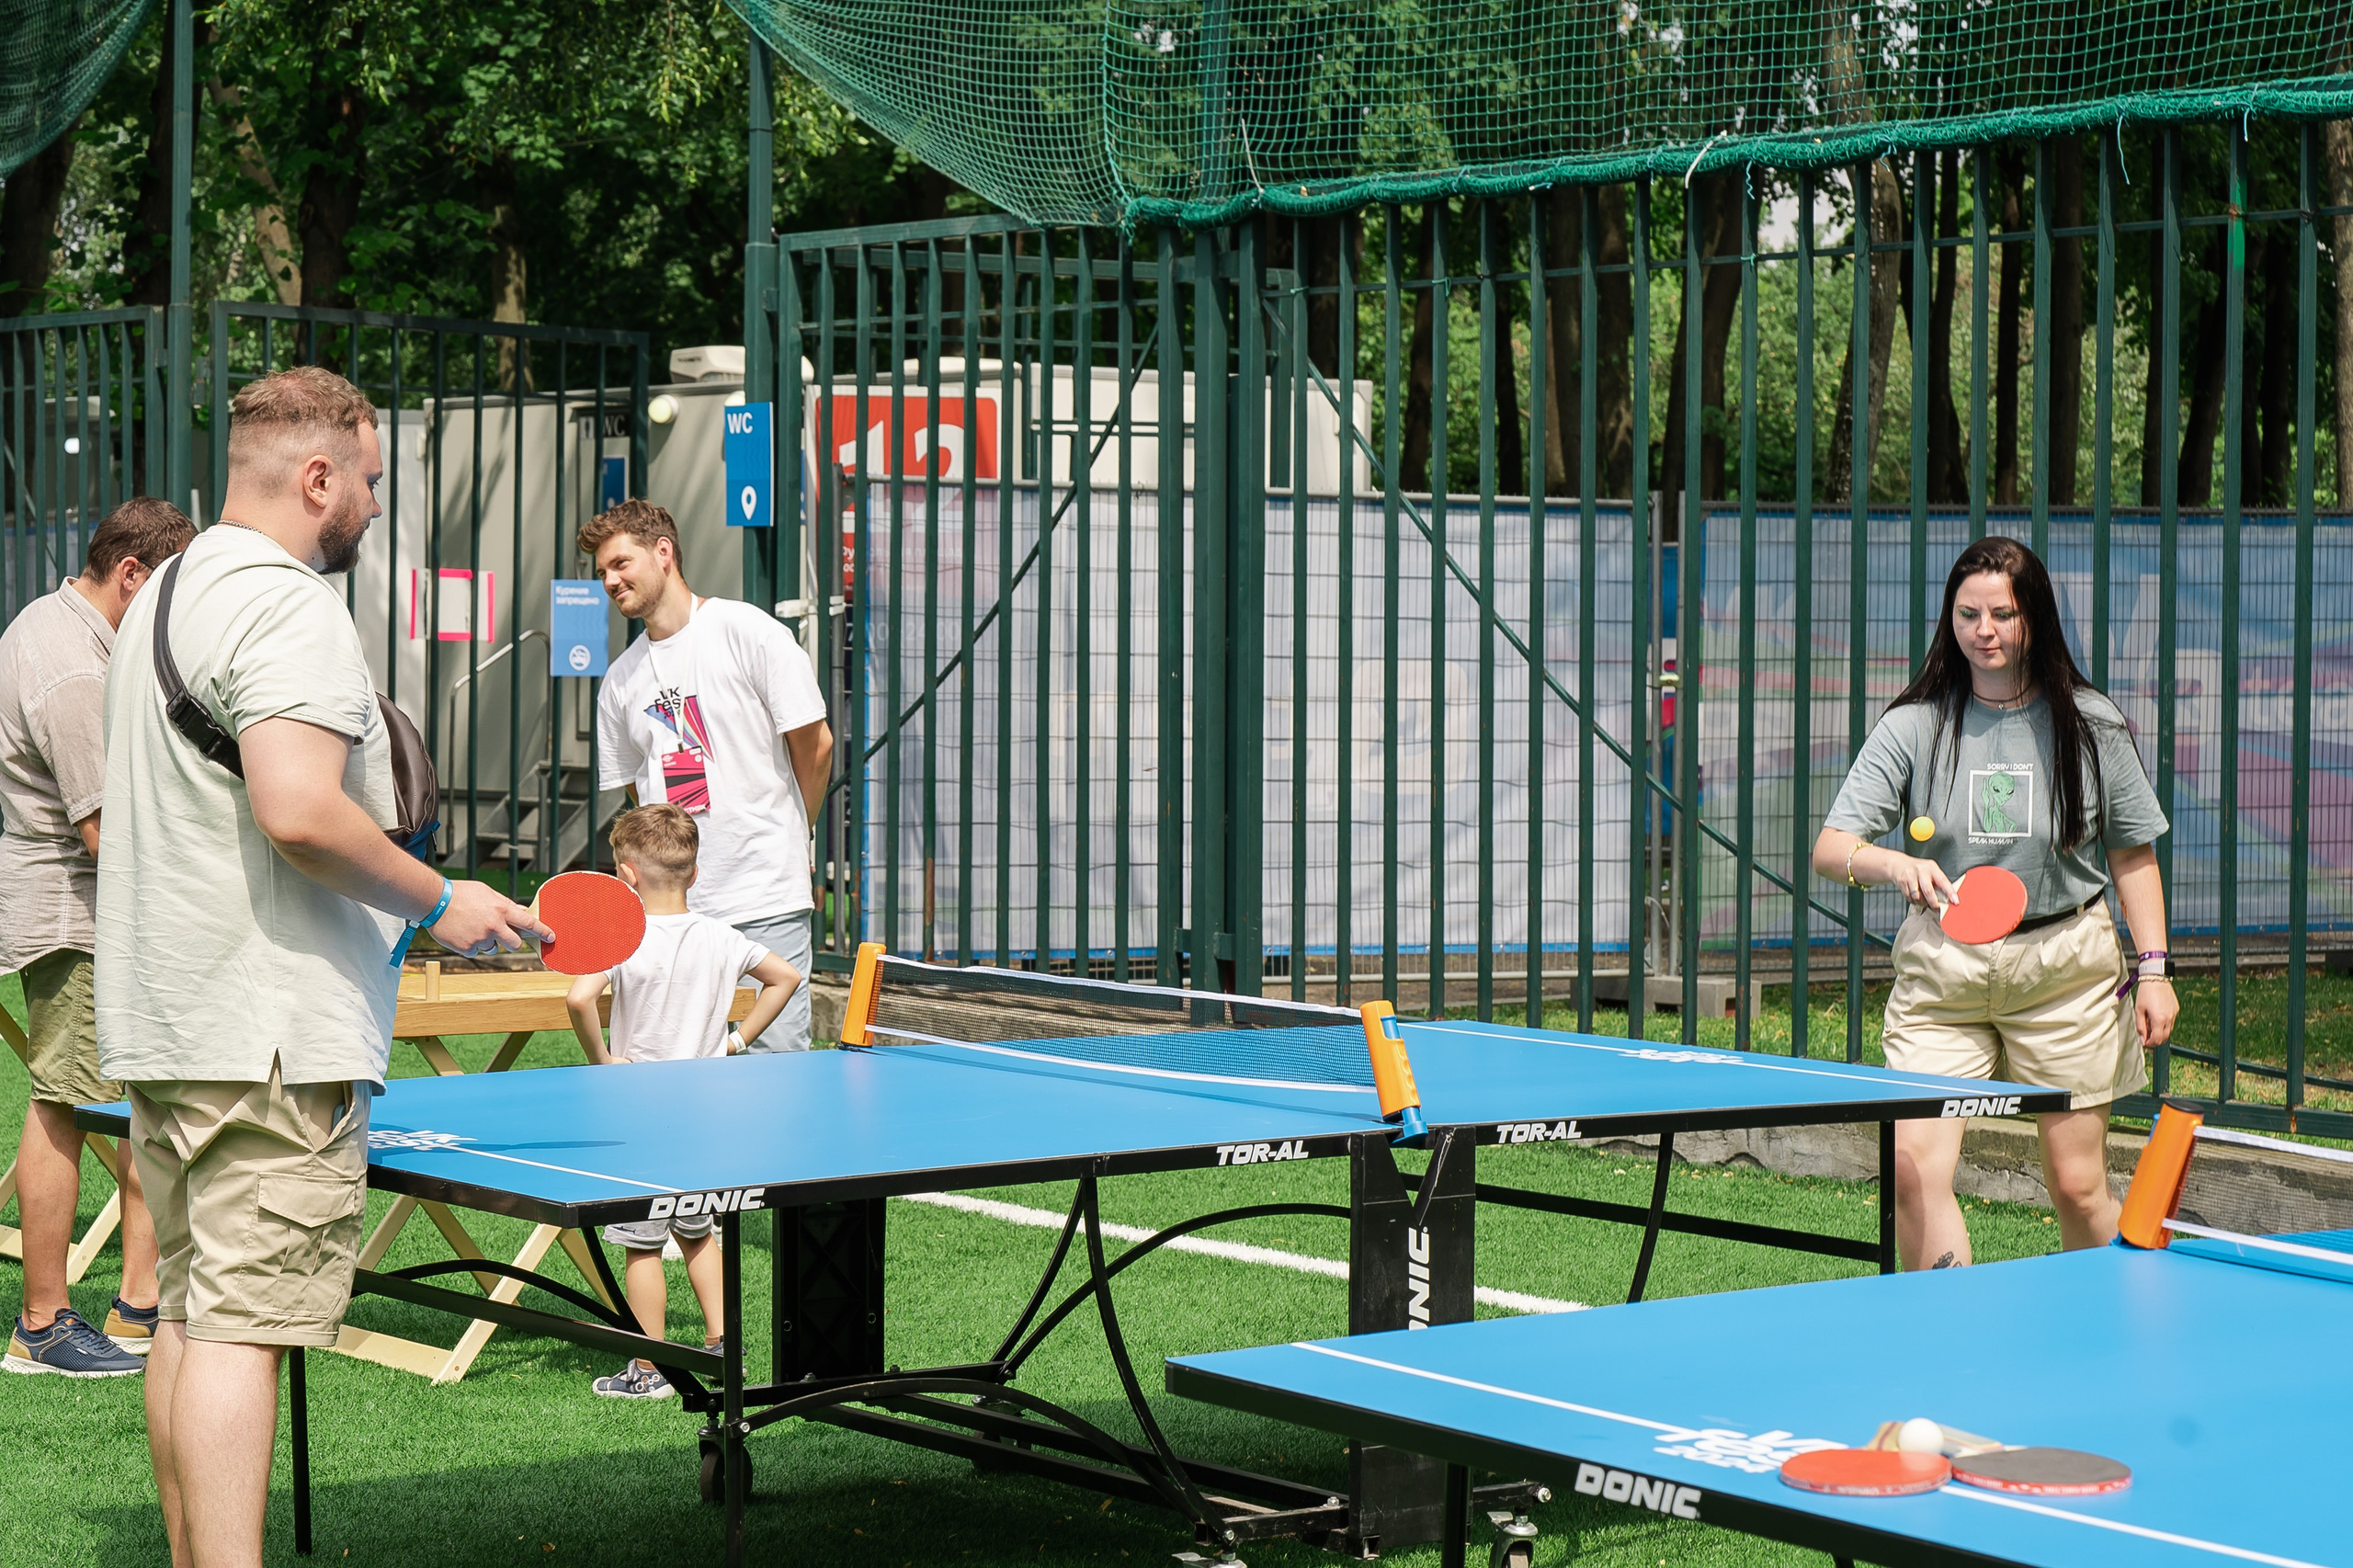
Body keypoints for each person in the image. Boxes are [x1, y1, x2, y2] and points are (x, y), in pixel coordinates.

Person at [98, 366, 549, 1568]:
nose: (375, 504)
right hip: (267, 1035)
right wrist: (443, 900)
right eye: (371, 480)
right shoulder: (290, 604)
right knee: (239, 1328)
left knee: (191, 1316)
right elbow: (298, 809)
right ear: (318, 475)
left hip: (172, 1019)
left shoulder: (162, 596)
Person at [1813, 534, 2177, 1270]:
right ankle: (1948, 1345)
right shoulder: (1913, 725)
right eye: (1969, 614)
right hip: (1944, 972)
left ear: (2033, 618)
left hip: (2065, 970)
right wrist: (1891, 865)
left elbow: (2132, 853)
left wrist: (2156, 968)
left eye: (2003, 615)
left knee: (2077, 1187)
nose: (1985, 631)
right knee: (1914, 1172)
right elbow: (1830, 849)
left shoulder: (2091, 721)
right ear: (1950, 619)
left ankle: (2111, 1323)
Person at [0, 497, 192, 1378]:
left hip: (86, 910)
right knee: (71, 1105)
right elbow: (108, 832)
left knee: (130, 1101)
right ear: (131, 576)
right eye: (171, 592)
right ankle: (43, 1325)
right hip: (79, 915)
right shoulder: (70, 666)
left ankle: (140, 1303)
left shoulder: (66, 631)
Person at [563, 804, 800, 1399]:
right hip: (707, 1110)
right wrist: (739, 1039)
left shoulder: (624, 939)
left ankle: (647, 1370)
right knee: (697, 1230)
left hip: (641, 1112)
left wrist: (604, 1063)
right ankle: (723, 1349)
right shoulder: (723, 937)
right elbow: (786, 978)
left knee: (642, 1242)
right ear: (694, 874)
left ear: (626, 876)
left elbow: (578, 999)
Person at [583, 499, 833, 1050]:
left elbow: (815, 747)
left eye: (621, 563)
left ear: (664, 553)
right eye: (602, 571)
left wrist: (796, 830)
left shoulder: (746, 631)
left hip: (762, 893)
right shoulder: (619, 682)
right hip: (671, 914)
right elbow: (637, 795)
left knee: (779, 1076)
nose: (610, 580)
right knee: (672, 1077)